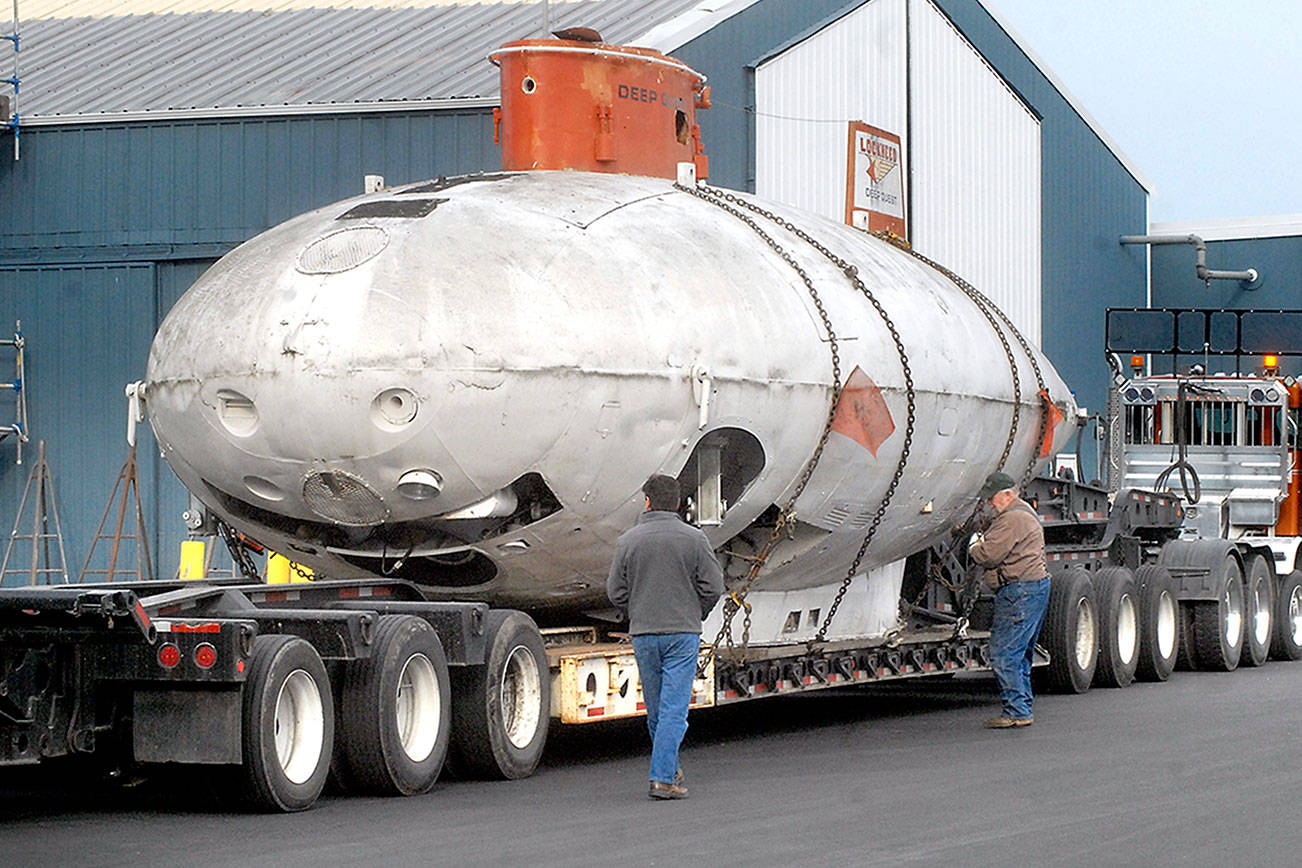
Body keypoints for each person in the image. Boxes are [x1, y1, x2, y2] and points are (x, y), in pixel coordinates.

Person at [607, 474, 724, 800]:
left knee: (657, 711)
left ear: (646, 501)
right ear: (676, 503)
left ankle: (670, 770)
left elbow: (615, 591)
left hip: (644, 633)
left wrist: (639, 608)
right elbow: (713, 587)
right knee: (674, 710)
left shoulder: (627, 541)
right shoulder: (695, 539)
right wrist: (695, 611)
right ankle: (661, 778)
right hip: (682, 633)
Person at [968, 471, 1051, 729]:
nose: (990, 504)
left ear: (1007, 494)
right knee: (1021, 653)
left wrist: (974, 545)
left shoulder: (1011, 519)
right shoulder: (1024, 512)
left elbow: (988, 555)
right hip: (1034, 588)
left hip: (1019, 591)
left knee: (1004, 653)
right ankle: (1022, 706)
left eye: (992, 499)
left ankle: (1017, 711)